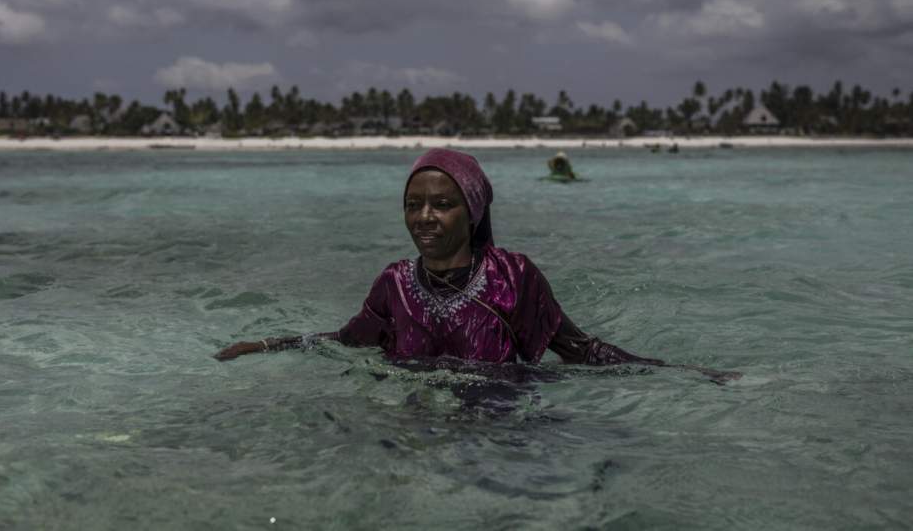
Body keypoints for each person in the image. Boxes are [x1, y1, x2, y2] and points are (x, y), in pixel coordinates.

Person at [215, 149, 739, 384]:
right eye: (413, 203)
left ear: (473, 209)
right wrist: (265, 346)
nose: (423, 217)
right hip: (414, 426)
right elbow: (345, 340)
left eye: (441, 204)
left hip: (503, 431)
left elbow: (582, 351)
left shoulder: (514, 278)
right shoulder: (393, 284)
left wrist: (681, 374)